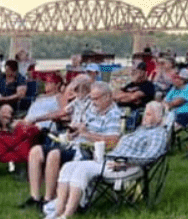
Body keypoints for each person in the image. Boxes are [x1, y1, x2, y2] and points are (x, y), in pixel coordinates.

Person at [43, 101, 169, 219]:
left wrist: (125, 163)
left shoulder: (158, 134)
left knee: (82, 170)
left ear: (158, 117)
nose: (144, 117)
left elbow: (151, 156)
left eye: (148, 114)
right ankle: (58, 211)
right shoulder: (141, 130)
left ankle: (67, 215)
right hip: (110, 160)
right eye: (145, 114)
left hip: (125, 166)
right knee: (69, 166)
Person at [21, 81, 121, 210]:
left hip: (87, 150)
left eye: (96, 98)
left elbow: (113, 141)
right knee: (35, 151)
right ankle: (35, 198)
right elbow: (80, 126)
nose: (92, 102)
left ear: (107, 96)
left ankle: (48, 199)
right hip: (73, 143)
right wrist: (73, 132)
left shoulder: (113, 114)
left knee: (54, 154)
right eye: (91, 98)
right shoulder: (93, 108)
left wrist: (87, 134)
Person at [0, 59, 27, 128]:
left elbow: (20, 95)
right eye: (6, 69)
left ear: (14, 71)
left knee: (5, 110)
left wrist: (3, 99)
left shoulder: (20, 79)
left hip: (11, 104)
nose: (6, 72)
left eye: (8, 70)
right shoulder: (0, 77)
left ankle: (5, 131)